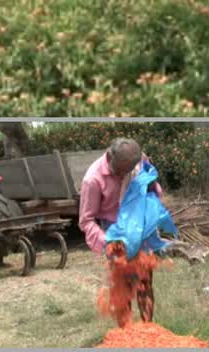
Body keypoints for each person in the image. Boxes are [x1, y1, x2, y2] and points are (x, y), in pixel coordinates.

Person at [79, 137, 163, 323]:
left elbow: (153, 187)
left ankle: (148, 328)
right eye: (120, 171)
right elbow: (86, 221)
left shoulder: (139, 160)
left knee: (144, 279)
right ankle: (125, 335)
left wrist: (150, 186)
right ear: (110, 157)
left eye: (128, 171)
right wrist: (108, 243)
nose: (123, 175)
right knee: (122, 284)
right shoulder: (92, 180)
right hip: (113, 228)